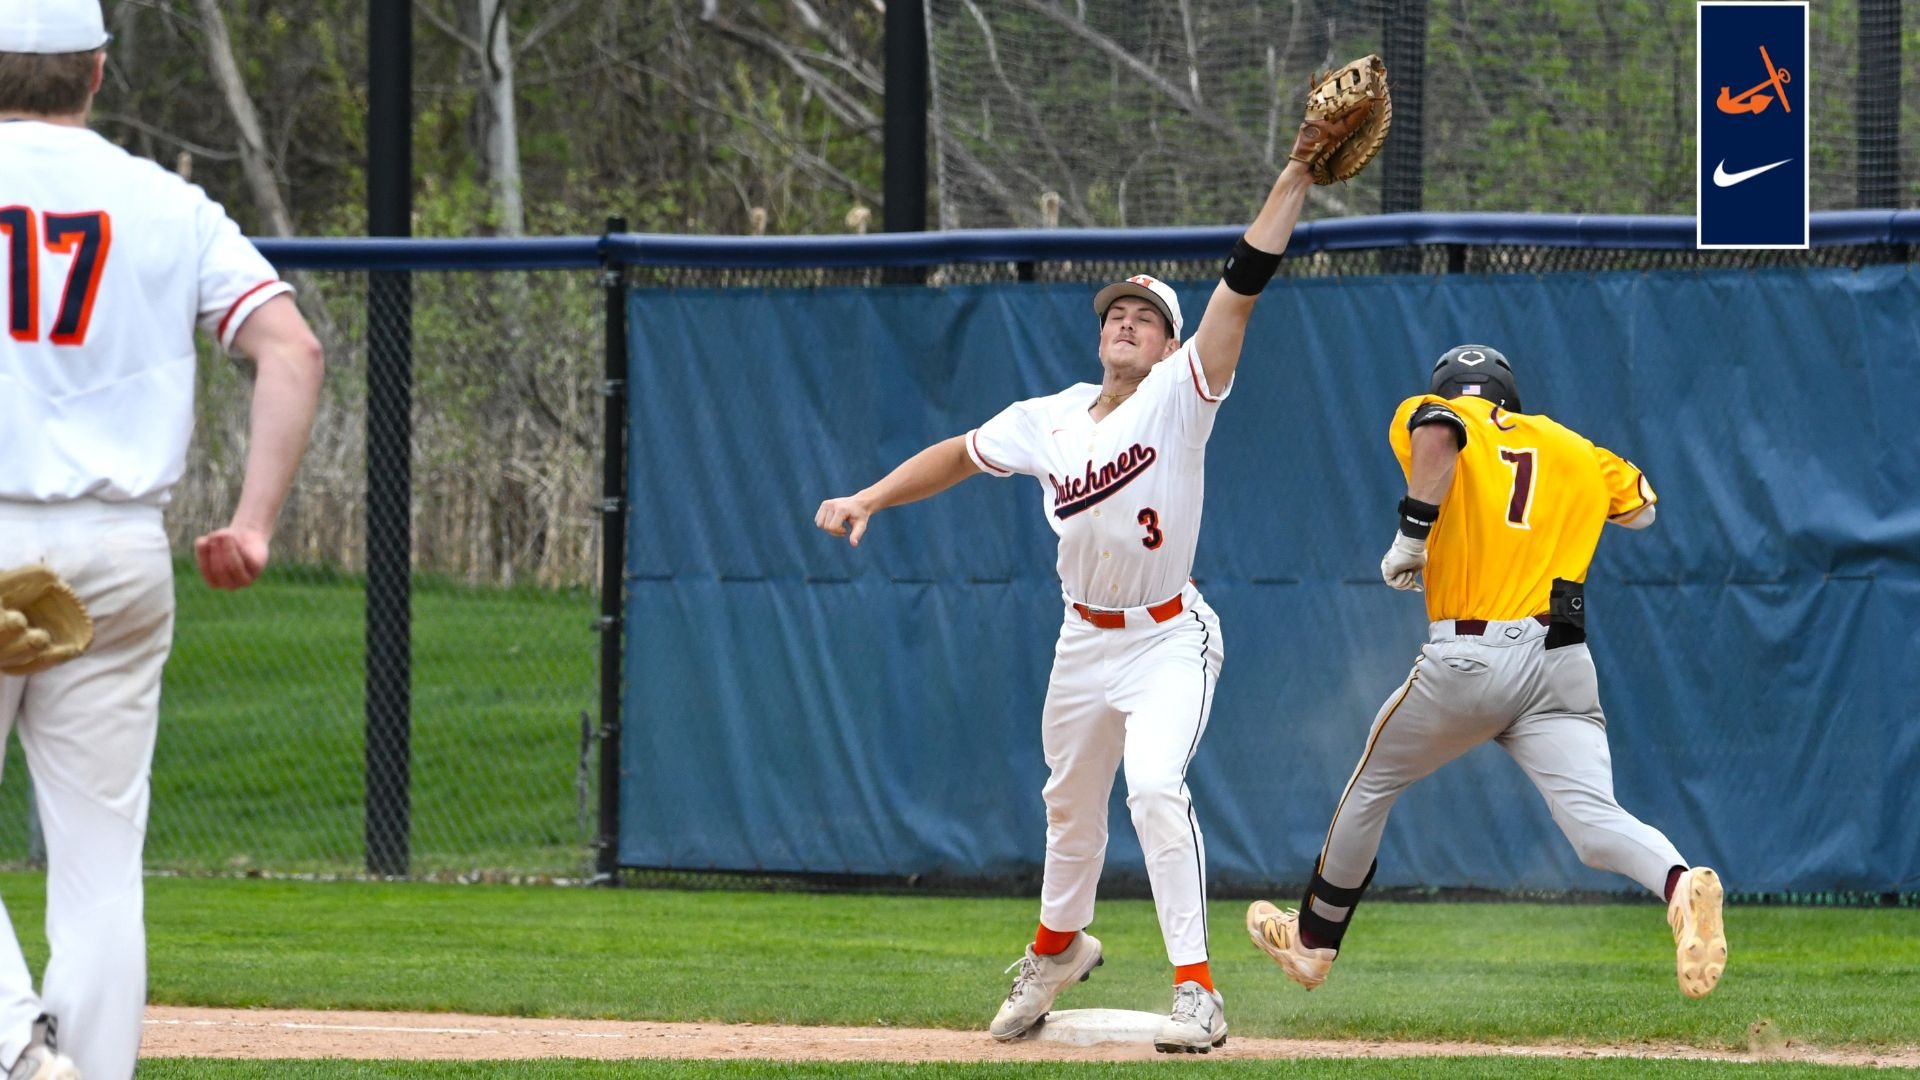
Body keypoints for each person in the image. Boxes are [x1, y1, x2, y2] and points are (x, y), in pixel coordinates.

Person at [813, 90, 1377, 1053]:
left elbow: (1242, 284)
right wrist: (869, 496)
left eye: (1145, 316)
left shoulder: (1184, 394)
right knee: (1068, 809)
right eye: (1115, 311)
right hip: (1083, 638)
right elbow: (957, 451)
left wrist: (1294, 174)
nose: (1124, 321)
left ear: (1167, 343)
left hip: (1168, 635)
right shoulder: (1054, 415)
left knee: (1154, 788)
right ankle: (1057, 951)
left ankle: (1198, 993)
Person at [0, 1, 325, 1076]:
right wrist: (253, 522)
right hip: (118, 552)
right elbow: (290, 351)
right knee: (99, 868)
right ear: (97, 72)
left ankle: (13, 1046)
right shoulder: (167, 202)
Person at [1245, 345, 1728, 1001]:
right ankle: (1680, 883)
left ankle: (1313, 945)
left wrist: (1415, 537)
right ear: (1511, 396)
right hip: (1562, 659)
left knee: (1372, 784)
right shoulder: (1572, 445)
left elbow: (1439, 430)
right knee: (1592, 823)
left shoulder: (1434, 411)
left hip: (1474, 653)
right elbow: (1642, 507)